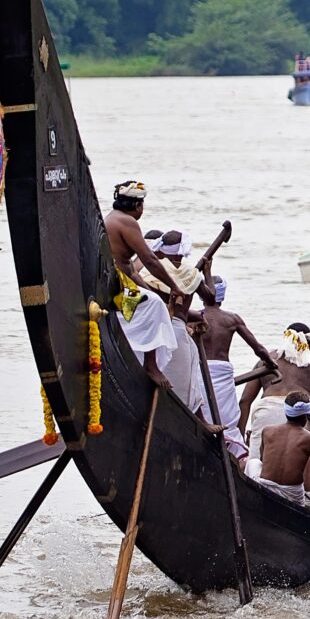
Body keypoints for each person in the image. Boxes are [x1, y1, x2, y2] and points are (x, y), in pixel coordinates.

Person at [101, 183, 223, 438]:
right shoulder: (127, 222)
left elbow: (133, 269)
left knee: (153, 300)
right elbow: (149, 260)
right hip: (117, 286)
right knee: (156, 306)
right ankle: (151, 365)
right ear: (137, 205)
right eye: (142, 205)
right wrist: (173, 287)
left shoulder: (114, 218)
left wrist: (155, 289)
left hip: (121, 281)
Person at [191, 275, 273, 462]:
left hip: (200, 372)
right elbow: (258, 349)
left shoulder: (193, 317)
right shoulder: (231, 319)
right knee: (226, 421)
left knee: (201, 412)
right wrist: (271, 363)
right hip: (219, 373)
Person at [240, 321, 310, 438]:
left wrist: (239, 437)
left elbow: (245, 401)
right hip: (299, 416)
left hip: (266, 413)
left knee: (261, 455)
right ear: (309, 343)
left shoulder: (266, 360)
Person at [255, 396, 310, 518]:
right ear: (308, 415)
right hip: (293, 494)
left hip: (266, 487)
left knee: (253, 463)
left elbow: (262, 460)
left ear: (286, 412)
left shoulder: (267, 431)